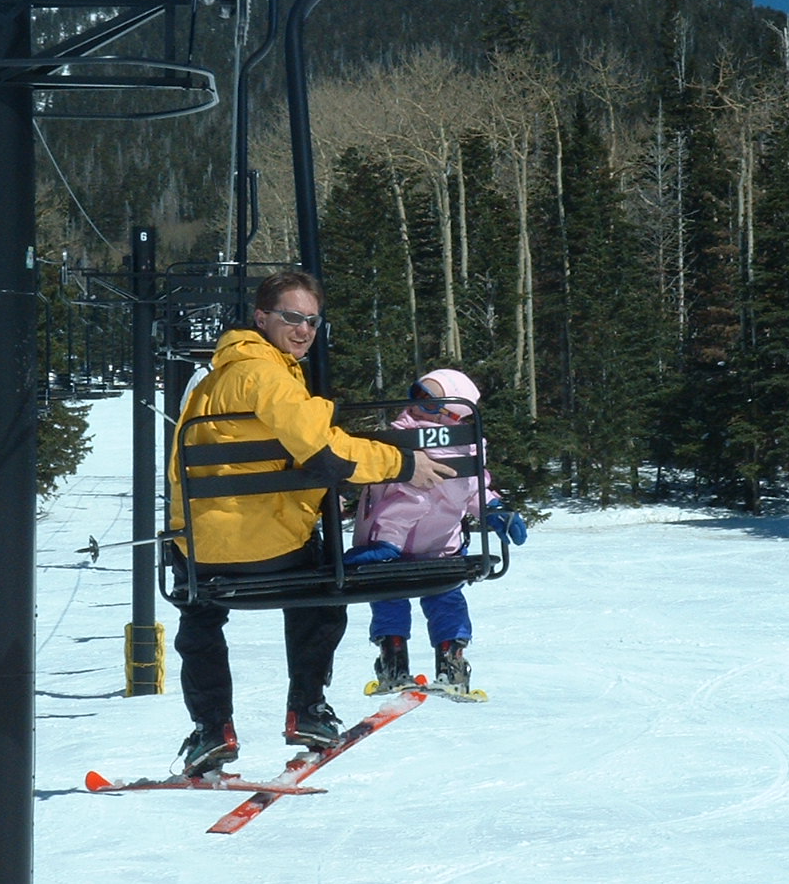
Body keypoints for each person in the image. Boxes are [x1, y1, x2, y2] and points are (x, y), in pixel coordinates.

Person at [168, 270, 456, 777]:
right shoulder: (268, 376)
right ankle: (307, 708)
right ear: (262, 318)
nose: (303, 330)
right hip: (269, 552)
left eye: (312, 320)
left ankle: (212, 729)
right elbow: (322, 450)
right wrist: (403, 464)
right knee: (325, 584)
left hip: (203, 552)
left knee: (199, 613)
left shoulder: (214, 378)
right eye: (292, 318)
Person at [346, 368, 527, 695]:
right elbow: (473, 491)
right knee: (443, 593)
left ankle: (400, 659)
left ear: (452, 416)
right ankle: (443, 660)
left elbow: (458, 494)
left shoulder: (397, 445)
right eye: (416, 394)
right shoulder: (459, 450)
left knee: (396, 593)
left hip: (395, 548)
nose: (416, 405)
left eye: (429, 403)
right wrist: (492, 507)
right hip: (440, 548)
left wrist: (496, 510)